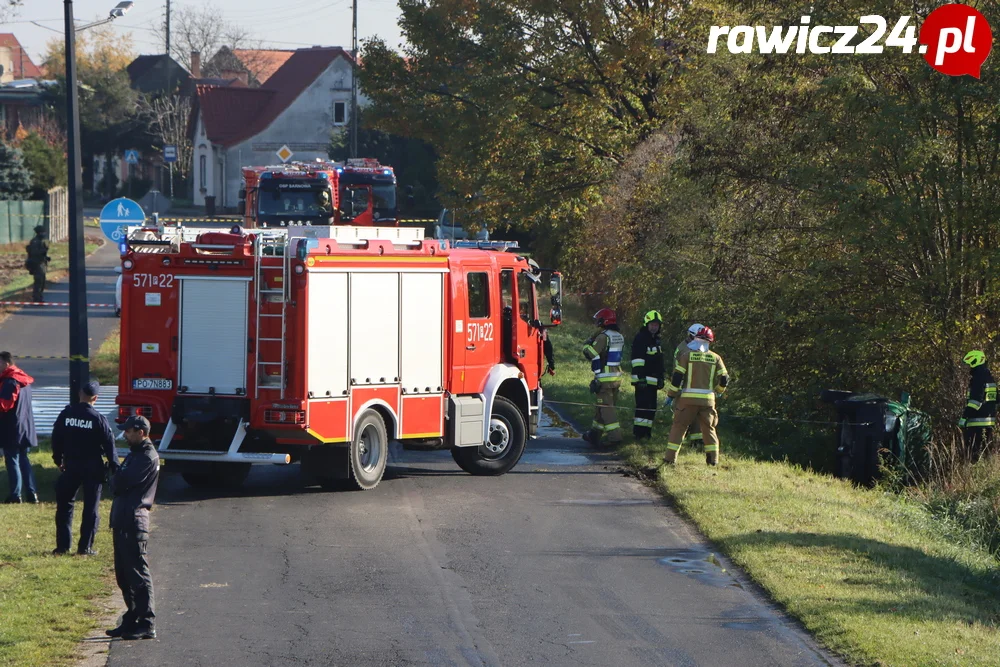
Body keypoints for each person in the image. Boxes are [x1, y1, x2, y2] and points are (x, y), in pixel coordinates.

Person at [106, 415, 159, 641]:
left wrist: (115, 472)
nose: (124, 435)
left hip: (133, 519)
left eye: (128, 431)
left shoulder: (146, 456)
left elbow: (120, 483)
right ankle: (132, 618)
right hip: (123, 518)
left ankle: (146, 622)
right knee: (124, 575)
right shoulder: (136, 454)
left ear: (140, 431)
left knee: (138, 573)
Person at [51, 381, 118, 556]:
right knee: (91, 508)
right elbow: (110, 445)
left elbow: (56, 439)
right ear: (95, 398)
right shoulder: (98, 419)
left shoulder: (66, 415)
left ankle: (63, 547)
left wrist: (58, 460)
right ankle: (85, 548)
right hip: (93, 467)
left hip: (71, 465)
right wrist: (115, 467)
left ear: (80, 394)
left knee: (65, 506)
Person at [660, 326, 729, 467]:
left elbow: (677, 377)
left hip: (687, 400)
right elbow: (724, 377)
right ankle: (713, 461)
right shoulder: (716, 358)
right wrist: (719, 391)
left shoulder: (687, 356)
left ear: (695, 338)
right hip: (708, 401)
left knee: (679, 427)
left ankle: (669, 459)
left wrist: (671, 395)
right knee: (709, 429)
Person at [581, 308, 625, 446]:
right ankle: (594, 435)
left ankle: (615, 437)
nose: (597, 323)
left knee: (606, 409)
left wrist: (586, 345)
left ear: (604, 321)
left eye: (598, 320)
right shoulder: (619, 336)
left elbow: (591, 353)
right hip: (616, 377)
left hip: (604, 380)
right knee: (601, 408)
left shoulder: (603, 337)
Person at [0, 351, 39, 504]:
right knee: (23, 459)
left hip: (12, 427)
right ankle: (31, 493)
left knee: (12, 460)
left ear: (6, 364)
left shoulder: (11, 381)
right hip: (25, 426)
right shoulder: (24, 380)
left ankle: (16, 495)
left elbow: (4, 404)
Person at [631, 310, 665, 440]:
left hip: (653, 382)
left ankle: (647, 433)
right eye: (652, 324)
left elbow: (659, 361)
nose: (654, 327)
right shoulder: (641, 338)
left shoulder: (656, 340)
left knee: (651, 408)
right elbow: (637, 360)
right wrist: (641, 378)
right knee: (642, 408)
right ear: (647, 324)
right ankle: (638, 434)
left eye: (656, 325)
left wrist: (661, 377)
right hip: (643, 381)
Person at [960, 350, 996, 463]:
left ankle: (973, 478)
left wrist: (964, 417)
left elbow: (975, 401)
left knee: (973, 457)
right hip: (989, 423)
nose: (968, 368)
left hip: (976, 424)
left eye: (969, 364)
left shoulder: (978, 378)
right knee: (984, 456)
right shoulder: (990, 377)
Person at [25, 225, 50, 302]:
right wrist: (43, 251)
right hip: (36, 264)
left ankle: (39, 297)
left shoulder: (40, 241)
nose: (44, 234)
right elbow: (35, 253)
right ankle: (36, 298)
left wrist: (46, 257)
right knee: (38, 281)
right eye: (42, 232)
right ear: (39, 233)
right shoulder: (35, 241)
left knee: (42, 282)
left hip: (41, 263)